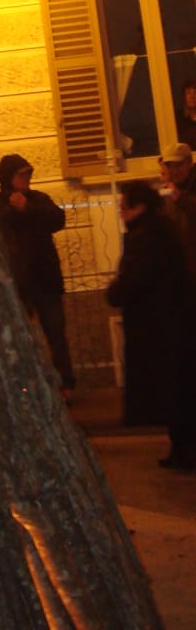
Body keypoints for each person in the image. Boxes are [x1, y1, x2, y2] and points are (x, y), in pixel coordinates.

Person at [107, 179, 196, 469]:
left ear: (139, 207)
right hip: (174, 321)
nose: (121, 212)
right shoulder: (162, 230)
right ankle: (180, 448)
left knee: (172, 391)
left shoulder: (144, 238)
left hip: (157, 327)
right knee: (180, 389)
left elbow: (133, 280)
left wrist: (114, 290)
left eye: (124, 207)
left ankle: (184, 451)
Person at [0, 153, 76, 397]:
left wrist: (28, 208)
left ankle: (65, 384)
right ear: (8, 178)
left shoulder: (38, 200)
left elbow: (57, 219)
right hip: (16, 283)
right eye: (21, 175)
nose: (26, 179)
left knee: (56, 335)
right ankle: (24, 387)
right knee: (18, 337)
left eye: (28, 174)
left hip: (45, 280)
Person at [175, 83, 196, 152]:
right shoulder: (179, 118)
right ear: (184, 97)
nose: (192, 96)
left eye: (195, 93)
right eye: (188, 93)